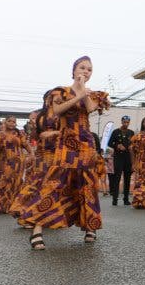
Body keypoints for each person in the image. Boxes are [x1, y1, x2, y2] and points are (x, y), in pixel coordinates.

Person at [21, 56, 110, 250]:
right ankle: (37, 230)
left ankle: (90, 227)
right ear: (74, 70)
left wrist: (83, 92)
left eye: (89, 69)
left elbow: (90, 108)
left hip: (86, 143)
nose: (86, 72)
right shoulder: (61, 92)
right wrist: (77, 93)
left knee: (87, 185)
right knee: (55, 184)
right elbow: (58, 110)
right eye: (82, 68)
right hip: (66, 145)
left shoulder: (92, 94)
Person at [10, 106, 60, 227]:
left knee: (51, 188)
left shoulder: (59, 119)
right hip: (41, 160)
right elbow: (35, 141)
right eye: (30, 119)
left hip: (56, 159)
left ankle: (47, 218)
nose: (31, 120)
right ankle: (27, 214)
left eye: (33, 118)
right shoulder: (38, 124)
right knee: (35, 186)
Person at [108, 115, 134, 205]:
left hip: (128, 158)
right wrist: (117, 146)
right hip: (118, 157)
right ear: (121, 122)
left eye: (127, 122)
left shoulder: (131, 133)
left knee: (127, 179)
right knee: (117, 178)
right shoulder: (116, 132)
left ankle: (126, 199)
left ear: (129, 123)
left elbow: (133, 144)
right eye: (124, 122)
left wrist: (132, 147)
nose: (126, 124)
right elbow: (110, 143)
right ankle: (115, 199)